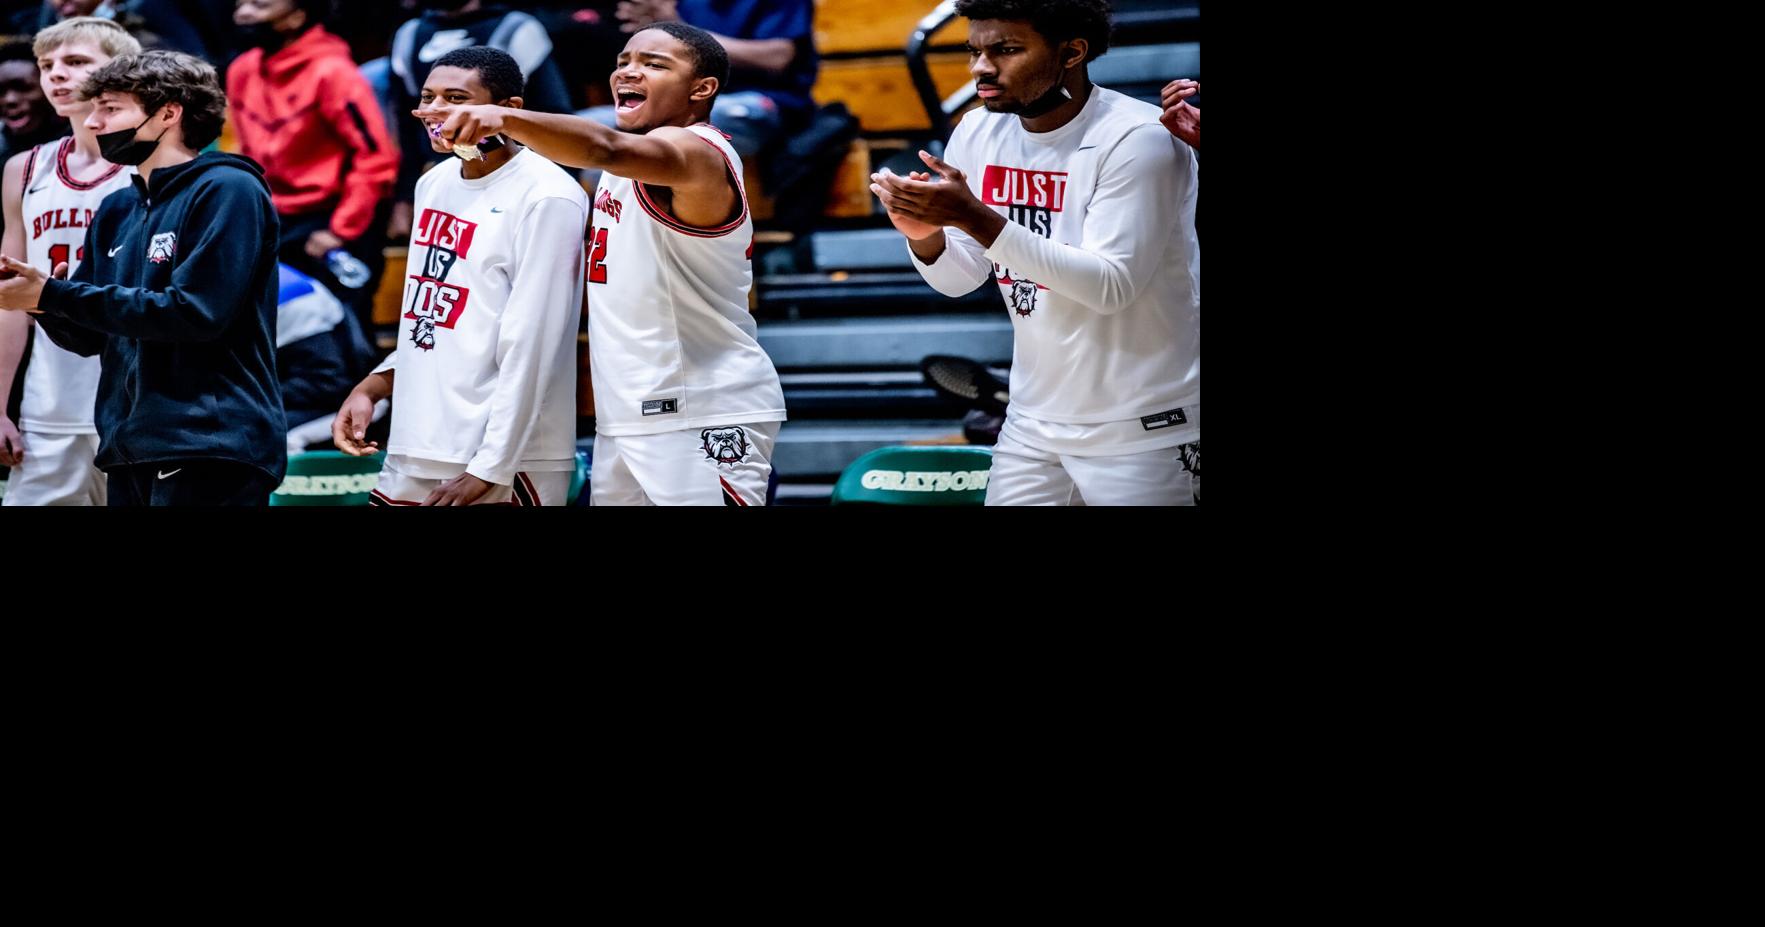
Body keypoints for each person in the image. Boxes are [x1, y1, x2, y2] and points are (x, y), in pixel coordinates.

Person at [437, 21, 786, 505]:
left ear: (701, 89)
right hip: (626, 411)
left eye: (654, 64)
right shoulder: (620, 171)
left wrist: (503, 117)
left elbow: (604, 146)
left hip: (701, 408)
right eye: (624, 61)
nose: (630, 71)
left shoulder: (698, 152)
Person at [870, 0, 1199, 505]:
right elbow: (960, 279)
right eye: (974, 50)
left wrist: (974, 217)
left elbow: (1110, 287)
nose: (981, 67)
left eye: (1005, 50)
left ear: (1072, 52)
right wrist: (925, 235)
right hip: (1032, 421)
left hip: (1143, 423)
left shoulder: (1137, 138)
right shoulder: (978, 130)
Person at [0, 49, 287, 506]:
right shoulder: (119, 208)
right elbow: (90, 337)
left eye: (110, 108)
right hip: (129, 443)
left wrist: (57, 294)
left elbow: (196, 313)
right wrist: (36, 299)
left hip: (210, 441)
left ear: (168, 112)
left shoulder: (228, 190)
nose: (93, 123)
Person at [333, 45, 586, 507]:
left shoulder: (549, 196)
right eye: (428, 96)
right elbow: (431, 313)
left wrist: (491, 466)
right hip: (419, 439)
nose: (434, 110)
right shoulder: (435, 182)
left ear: (508, 111)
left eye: (455, 97)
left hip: (504, 456)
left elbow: (535, 343)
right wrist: (377, 383)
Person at [0, 16, 140, 506]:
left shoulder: (149, 168)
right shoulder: (24, 169)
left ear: (121, 70)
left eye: (76, 62)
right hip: (50, 402)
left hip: (135, 401)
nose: (56, 74)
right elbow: (8, 300)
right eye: (46, 65)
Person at [228, 0, 397, 331]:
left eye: (260, 5)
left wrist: (340, 230)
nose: (243, 14)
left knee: (343, 334)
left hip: (332, 219)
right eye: (241, 4)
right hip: (274, 219)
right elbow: (247, 151)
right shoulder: (242, 69)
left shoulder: (334, 72)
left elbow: (376, 158)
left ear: (297, 16)